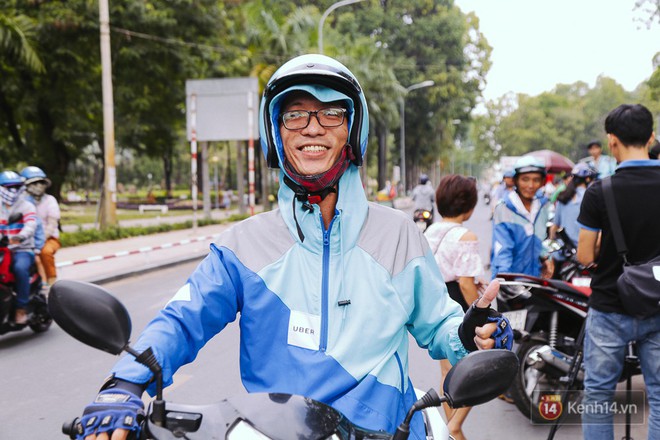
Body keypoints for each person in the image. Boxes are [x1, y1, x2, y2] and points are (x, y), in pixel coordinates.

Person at [74, 54, 512, 440]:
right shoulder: (240, 246)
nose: (313, 128)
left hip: (389, 431)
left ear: (351, 131)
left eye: (331, 114)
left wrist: (475, 332)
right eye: (296, 115)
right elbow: (183, 320)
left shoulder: (397, 234)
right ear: (276, 134)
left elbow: (440, 327)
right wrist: (126, 384)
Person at [576, 103, 659, 440]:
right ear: (651, 137)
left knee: (597, 395)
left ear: (611, 141)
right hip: (658, 304)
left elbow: (584, 255)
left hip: (610, 306)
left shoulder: (600, 190)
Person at [425, 174, 485, 440]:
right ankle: (454, 427)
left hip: (438, 305)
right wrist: (480, 313)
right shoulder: (465, 235)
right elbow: (465, 282)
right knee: (475, 372)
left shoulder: (430, 231)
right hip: (460, 305)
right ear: (470, 206)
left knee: (448, 370)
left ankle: (450, 429)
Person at [491, 156, 553, 279]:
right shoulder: (504, 208)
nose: (531, 185)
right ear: (516, 181)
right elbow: (503, 250)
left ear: (542, 182)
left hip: (535, 277)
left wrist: (546, 257)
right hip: (511, 279)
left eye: (536, 180)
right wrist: (504, 280)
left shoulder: (542, 206)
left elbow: (541, 239)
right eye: (525, 179)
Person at [0, 171, 38, 325]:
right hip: (2, 249)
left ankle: (20, 308)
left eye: (16, 186)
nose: (13, 190)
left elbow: (31, 224)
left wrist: (20, 237)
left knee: (19, 269)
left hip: (22, 249)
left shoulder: (27, 205)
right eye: (8, 187)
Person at [19, 166, 61, 287]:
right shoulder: (22, 201)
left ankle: (51, 281)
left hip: (47, 238)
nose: (38, 186)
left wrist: (40, 241)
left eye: (41, 182)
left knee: (44, 252)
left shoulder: (50, 200)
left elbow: (52, 224)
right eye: (34, 183)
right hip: (26, 238)